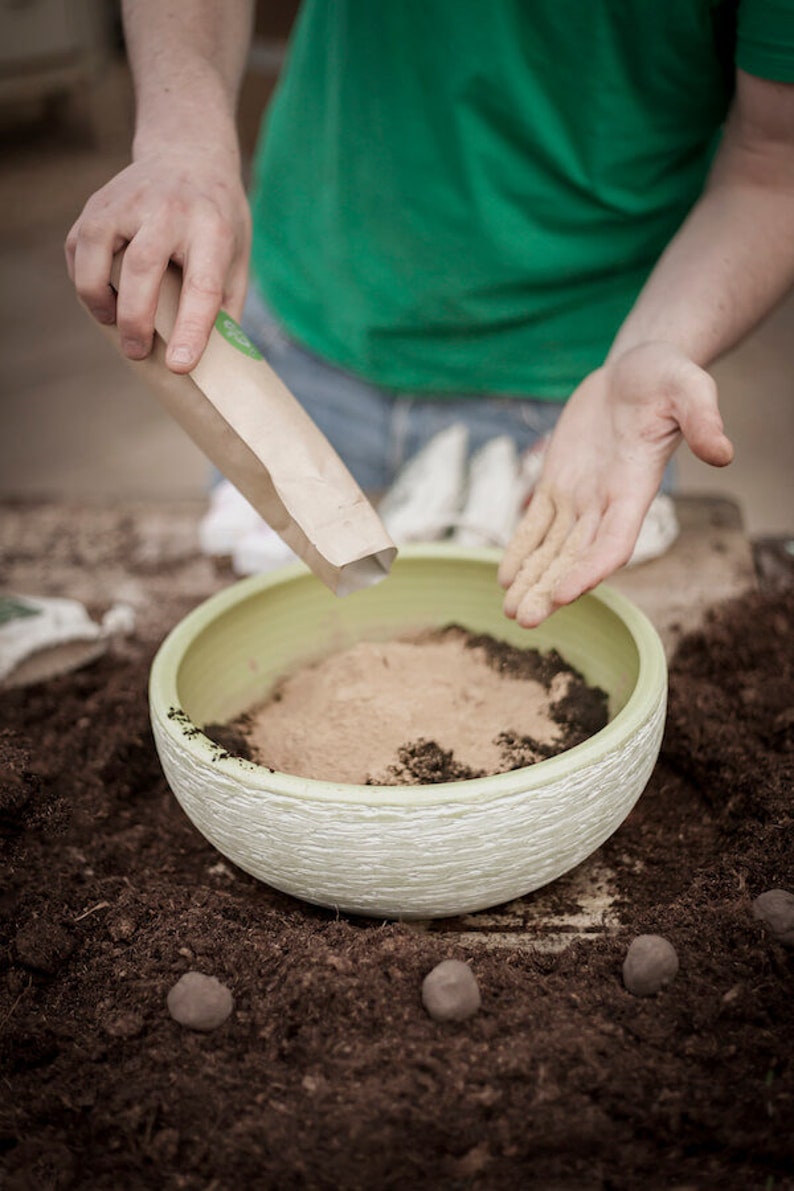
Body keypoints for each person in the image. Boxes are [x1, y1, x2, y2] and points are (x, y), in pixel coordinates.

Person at [65, 1, 794, 626]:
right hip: (294, 351)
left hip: (581, 404)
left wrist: (658, 344)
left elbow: (774, 161)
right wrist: (183, 140)